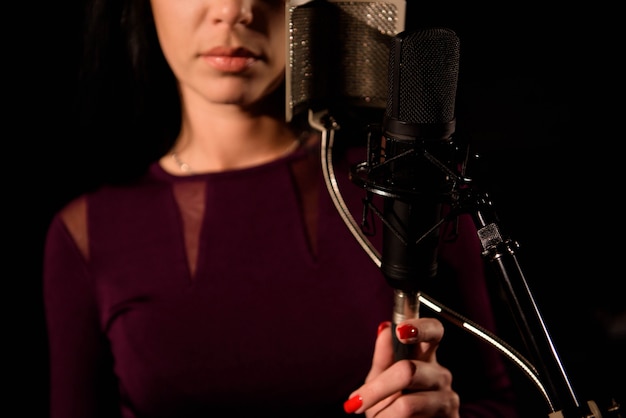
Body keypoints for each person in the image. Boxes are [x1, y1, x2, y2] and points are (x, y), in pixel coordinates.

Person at [42, 0, 520, 417]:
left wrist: (440, 413)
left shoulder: (408, 184)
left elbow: (501, 401)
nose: (235, 10)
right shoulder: (87, 232)